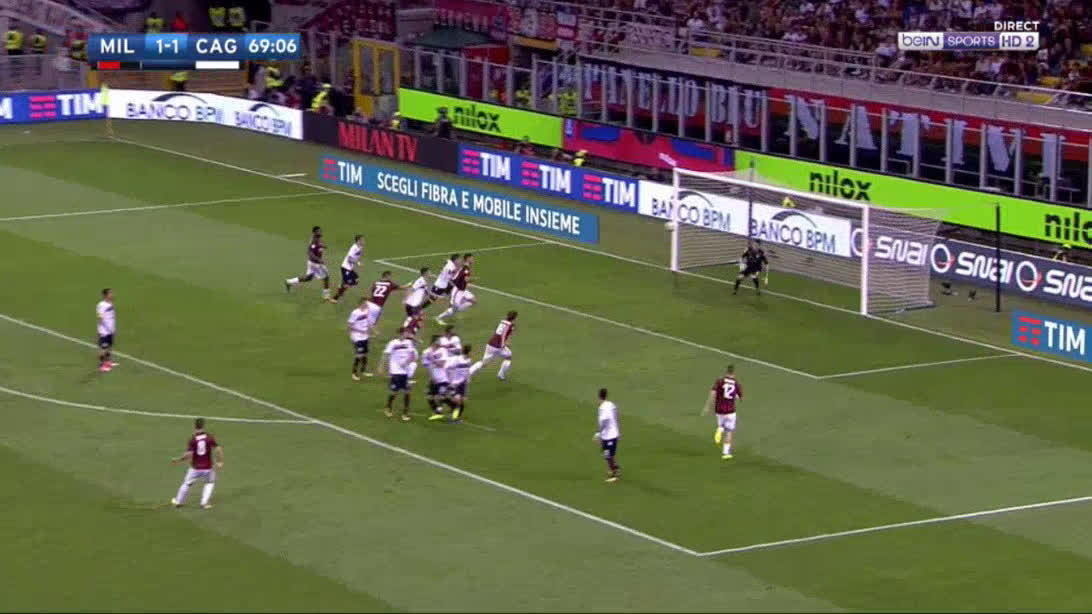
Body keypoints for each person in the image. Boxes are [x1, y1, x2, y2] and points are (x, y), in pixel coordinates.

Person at [170, 418, 224, 510]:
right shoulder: (209, 437)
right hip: (208, 467)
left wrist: (179, 460)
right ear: (203, 426)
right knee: (210, 483)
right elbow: (218, 449)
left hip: (195, 468)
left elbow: (188, 454)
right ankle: (204, 503)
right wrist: (220, 461)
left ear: (195, 426)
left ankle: (179, 502)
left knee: (186, 484)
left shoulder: (192, 440)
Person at [701, 364, 744, 460]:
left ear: (726, 372)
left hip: (719, 410)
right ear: (734, 373)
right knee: (729, 431)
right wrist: (735, 396)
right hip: (731, 411)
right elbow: (740, 398)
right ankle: (725, 453)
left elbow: (713, 393)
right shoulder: (736, 384)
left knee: (723, 426)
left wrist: (707, 407)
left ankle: (720, 428)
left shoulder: (720, 381)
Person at [379, 328, 419, 421]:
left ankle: (405, 413)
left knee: (407, 391)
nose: (407, 334)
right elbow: (386, 355)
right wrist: (381, 367)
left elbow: (412, 355)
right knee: (394, 391)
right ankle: (388, 407)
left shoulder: (409, 343)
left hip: (405, 371)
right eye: (405, 333)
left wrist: (407, 362)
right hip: (395, 371)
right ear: (400, 333)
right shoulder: (393, 343)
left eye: (407, 333)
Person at [284, 226, 331, 300]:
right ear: (314, 232)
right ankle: (326, 296)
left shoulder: (317, 238)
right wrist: (318, 259)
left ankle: (289, 282)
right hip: (316, 264)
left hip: (312, 263)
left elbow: (318, 245)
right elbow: (310, 253)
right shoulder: (313, 241)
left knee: (308, 278)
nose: (320, 232)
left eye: (320, 231)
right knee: (326, 277)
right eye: (318, 231)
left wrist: (322, 246)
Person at [471, 311, 516, 380]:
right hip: (498, 346)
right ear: (514, 318)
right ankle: (501, 374)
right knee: (508, 357)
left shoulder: (502, 322)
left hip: (490, 344)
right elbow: (504, 335)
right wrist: (504, 343)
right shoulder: (510, 325)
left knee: (483, 362)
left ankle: (469, 371)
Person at [436, 253, 475, 324]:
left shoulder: (464, 267)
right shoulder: (466, 268)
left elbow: (459, 276)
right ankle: (439, 317)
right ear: (468, 259)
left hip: (463, 290)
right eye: (472, 258)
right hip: (458, 290)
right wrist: (473, 279)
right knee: (453, 308)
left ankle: (455, 309)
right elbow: (466, 279)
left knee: (473, 301)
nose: (473, 260)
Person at [594, 388, 621, 482]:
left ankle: (615, 473)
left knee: (608, 454)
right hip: (612, 434)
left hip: (609, 436)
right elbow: (616, 415)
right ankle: (613, 468)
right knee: (608, 454)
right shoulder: (611, 404)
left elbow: (604, 421)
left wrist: (598, 433)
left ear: (598, 397)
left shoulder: (602, 408)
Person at [329, 234, 365, 303]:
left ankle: (341, 288)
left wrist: (360, 254)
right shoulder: (354, 248)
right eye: (362, 240)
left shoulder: (360, 247)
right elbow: (349, 259)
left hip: (350, 268)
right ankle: (335, 298)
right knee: (347, 284)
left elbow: (358, 256)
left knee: (355, 280)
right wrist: (358, 263)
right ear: (358, 241)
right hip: (345, 268)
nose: (364, 241)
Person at [422, 336, 450, 420]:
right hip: (433, 379)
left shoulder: (443, 351)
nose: (441, 342)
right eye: (439, 341)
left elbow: (442, 364)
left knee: (440, 397)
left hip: (443, 378)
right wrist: (431, 377)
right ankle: (438, 412)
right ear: (434, 342)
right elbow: (427, 367)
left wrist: (432, 359)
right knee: (430, 397)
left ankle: (454, 407)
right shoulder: (426, 352)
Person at [347, 297, 374, 380]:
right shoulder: (355, 313)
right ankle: (354, 373)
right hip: (357, 337)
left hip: (365, 336)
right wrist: (361, 331)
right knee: (359, 355)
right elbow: (350, 326)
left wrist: (371, 330)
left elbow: (368, 322)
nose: (367, 305)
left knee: (365, 353)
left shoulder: (367, 311)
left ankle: (363, 370)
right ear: (361, 304)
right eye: (366, 303)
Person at [445, 344, 473, 421]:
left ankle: (457, 417)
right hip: (455, 383)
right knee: (457, 400)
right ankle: (452, 416)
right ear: (468, 352)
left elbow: (468, 370)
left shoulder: (469, 360)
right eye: (471, 351)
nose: (471, 353)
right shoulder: (457, 359)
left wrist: (468, 378)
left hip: (463, 384)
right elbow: (447, 368)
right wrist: (450, 380)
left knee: (462, 401)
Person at [95, 288, 118, 373]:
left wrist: (112, 328)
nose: (112, 294)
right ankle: (102, 365)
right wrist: (102, 329)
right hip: (104, 331)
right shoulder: (101, 305)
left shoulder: (110, 303)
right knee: (103, 348)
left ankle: (108, 362)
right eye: (110, 293)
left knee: (109, 347)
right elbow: (100, 317)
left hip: (110, 330)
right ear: (105, 295)